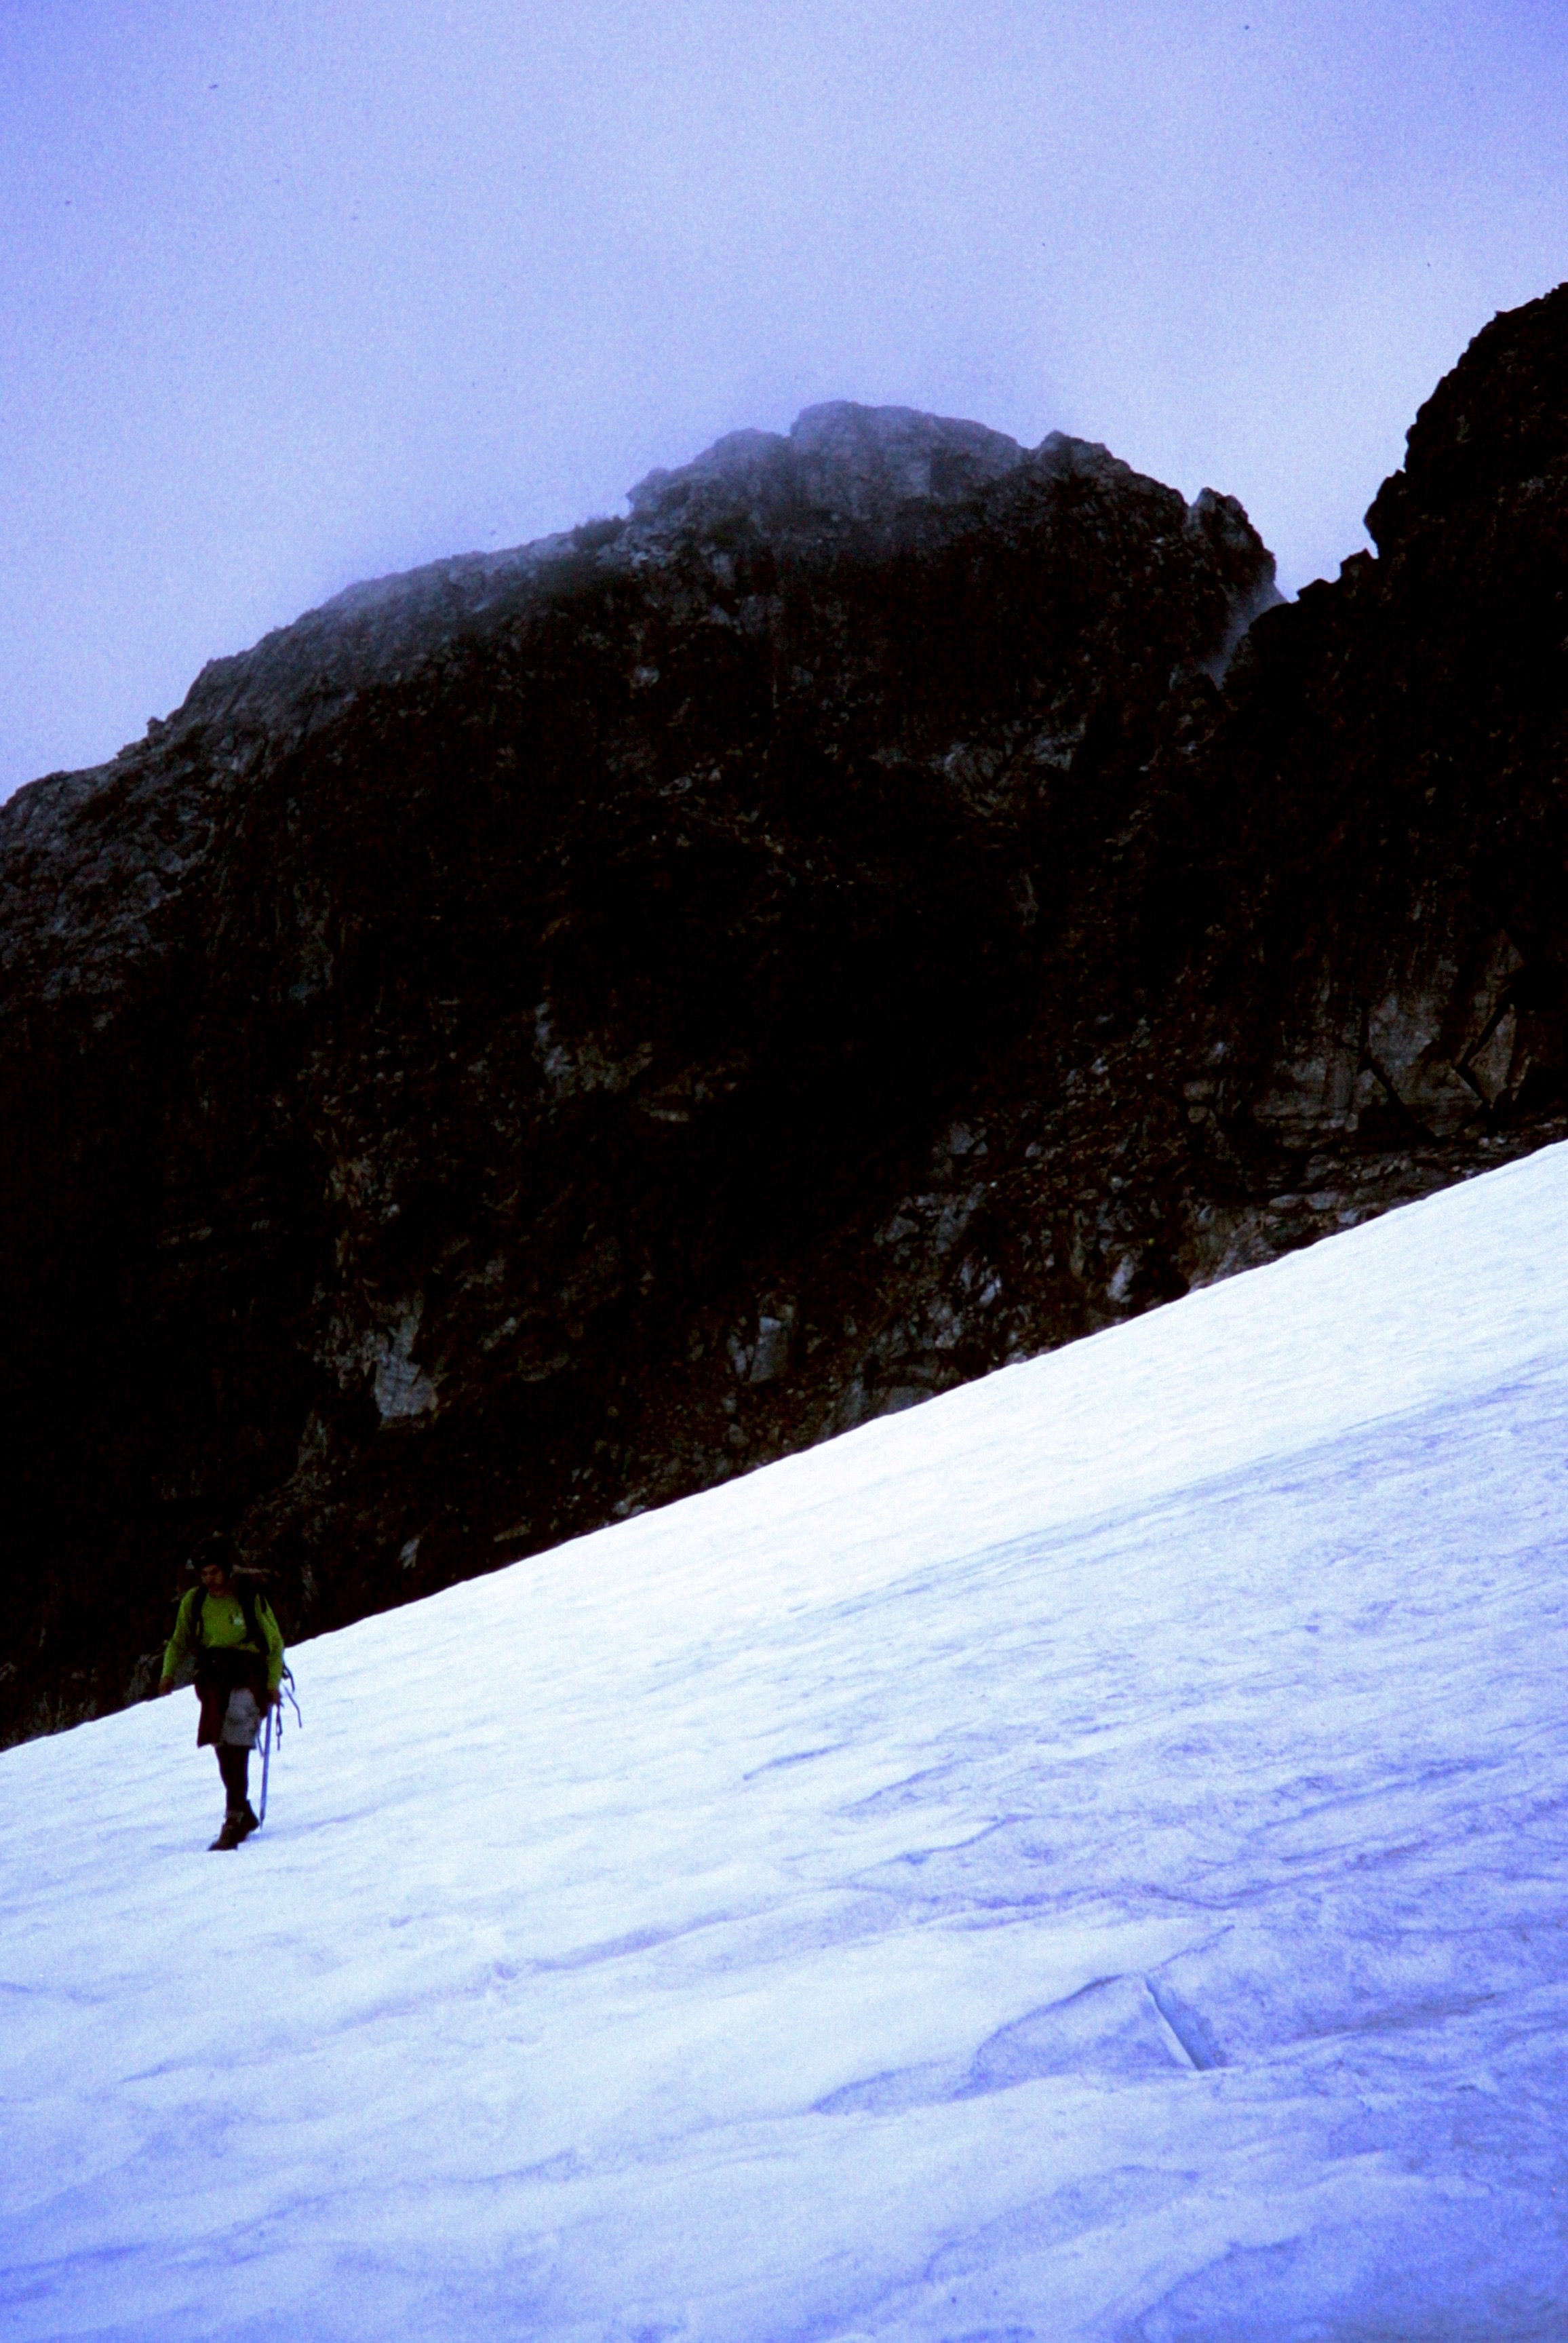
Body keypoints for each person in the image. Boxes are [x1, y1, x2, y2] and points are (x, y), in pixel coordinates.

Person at [159, 1541, 286, 1849]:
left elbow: (274, 1643)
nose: (209, 1579)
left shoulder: (248, 1597)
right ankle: (243, 1812)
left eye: (214, 1572)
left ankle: (233, 1818)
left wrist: (271, 1684)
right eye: (204, 1573)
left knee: (236, 1743)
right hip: (215, 1682)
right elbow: (179, 1641)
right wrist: (168, 1673)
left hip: (248, 1677)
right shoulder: (195, 1601)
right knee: (223, 1746)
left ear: (227, 1570)